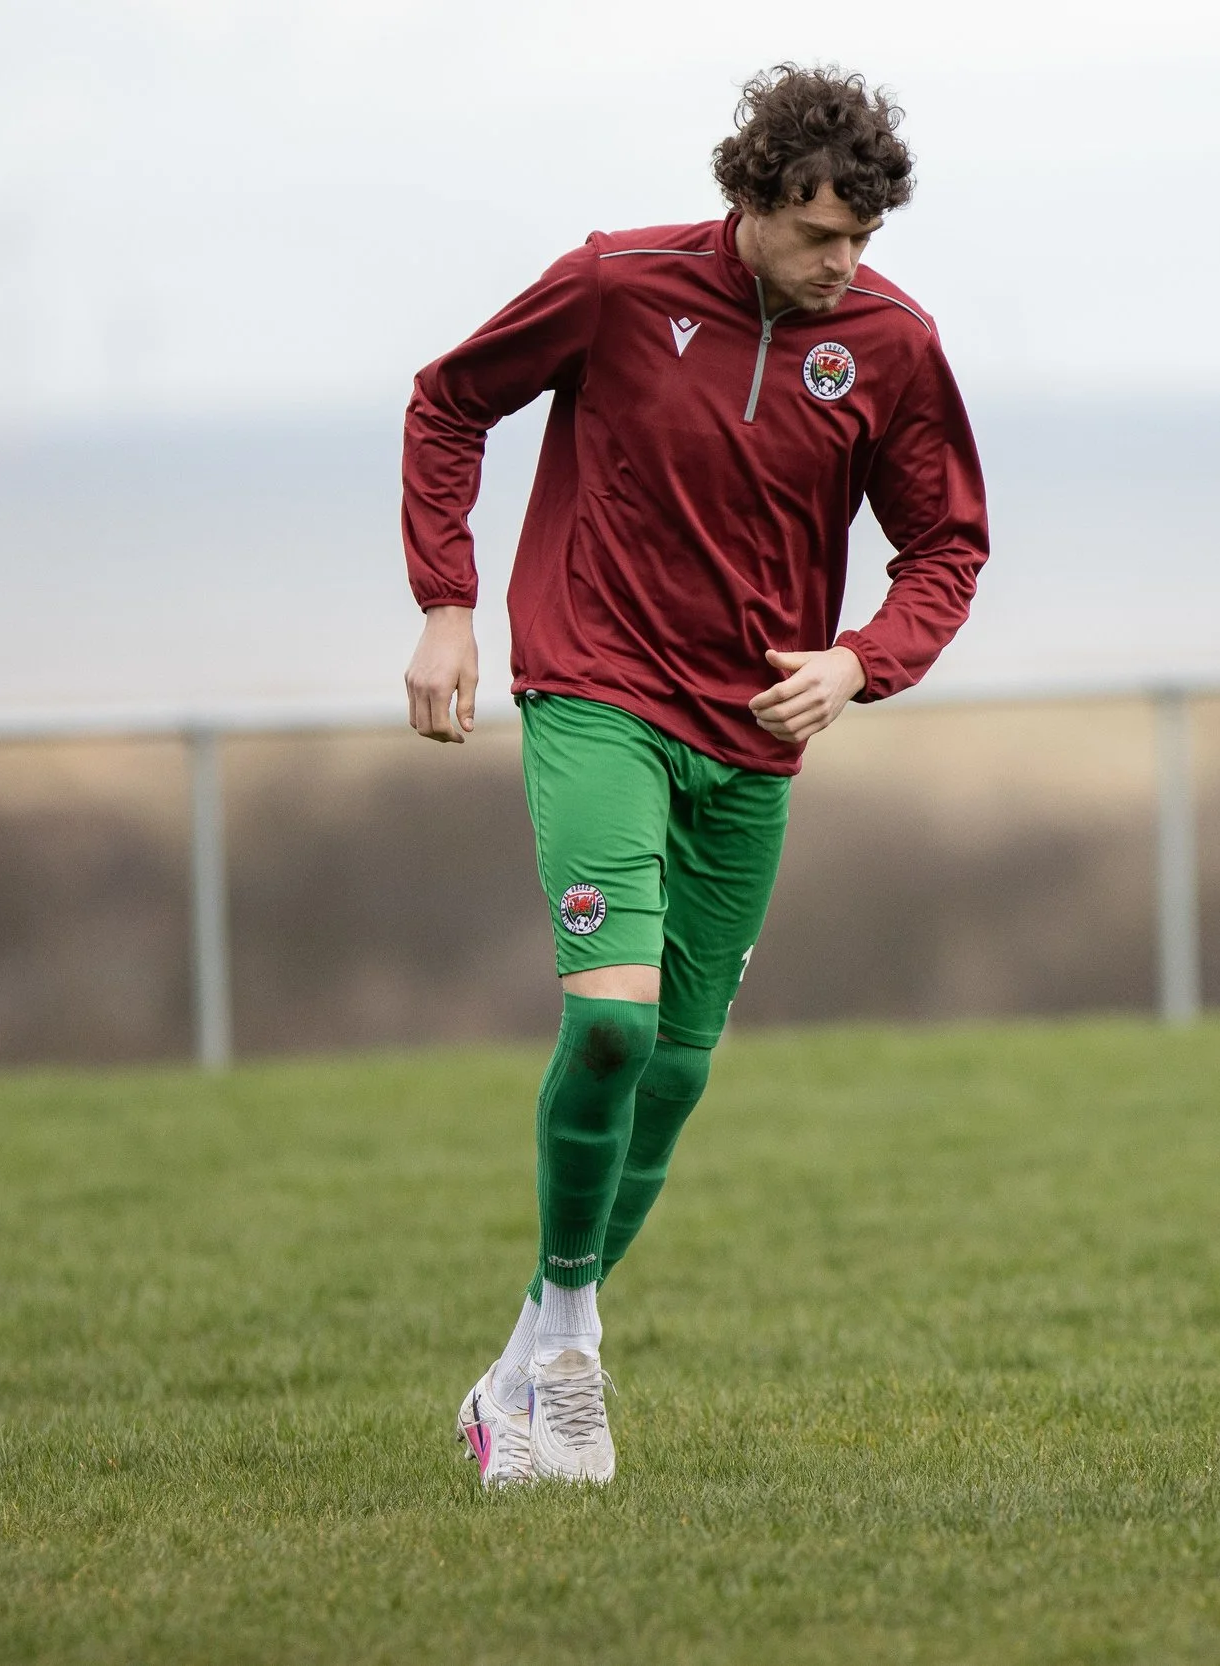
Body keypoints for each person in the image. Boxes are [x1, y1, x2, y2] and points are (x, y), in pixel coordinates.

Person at [398, 64, 989, 1486]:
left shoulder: (893, 347)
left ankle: (533, 1351)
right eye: (818, 233)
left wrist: (859, 661)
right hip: (597, 692)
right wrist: (447, 600)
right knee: (608, 1028)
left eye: (864, 239)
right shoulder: (613, 285)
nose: (845, 263)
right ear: (749, 200)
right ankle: (572, 1360)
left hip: (753, 744)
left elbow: (948, 547)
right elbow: (447, 402)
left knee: (675, 1067)